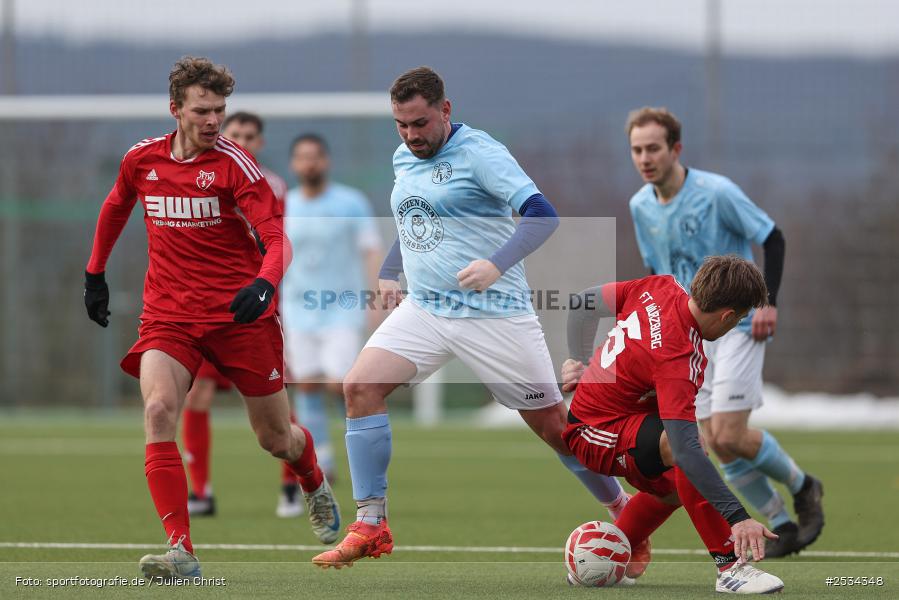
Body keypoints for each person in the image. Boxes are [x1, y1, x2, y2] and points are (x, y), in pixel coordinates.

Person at [312, 66, 632, 569]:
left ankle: (626, 513)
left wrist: (495, 264)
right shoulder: (404, 156)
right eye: (401, 125)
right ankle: (371, 523)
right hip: (427, 309)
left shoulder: (482, 154)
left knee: (556, 429)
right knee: (359, 387)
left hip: (495, 314)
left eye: (419, 123)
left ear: (446, 110)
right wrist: (392, 272)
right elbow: (414, 217)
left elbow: (542, 214)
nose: (412, 136)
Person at [82, 56, 339, 581]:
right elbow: (115, 207)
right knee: (157, 411)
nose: (214, 121)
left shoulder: (234, 165)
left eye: (220, 110)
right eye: (203, 110)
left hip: (240, 317)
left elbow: (276, 237)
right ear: (175, 108)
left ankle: (311, 477)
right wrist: (94, 274)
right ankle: (181, 550)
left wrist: (264, 283)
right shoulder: (142, 160)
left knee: (276, 440)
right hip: (169, 316)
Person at [625, 107, 823, 557]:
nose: (644, 157)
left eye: (653, 148)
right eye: (636, 150)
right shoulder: (640, 206)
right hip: (688, 334)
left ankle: (804, 486)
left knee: (728, 434)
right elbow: (655, 275)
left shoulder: (716, 193)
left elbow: (772, 237)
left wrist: (768, 300)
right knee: (711, 441)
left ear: (675, 149)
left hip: (737, 324)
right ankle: (781, 524)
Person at [562, 256, 785, 594]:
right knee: (686, 449)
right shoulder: (679, 357)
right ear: (727, 316)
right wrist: (738, 518)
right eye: (738, 319)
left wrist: (578, 359)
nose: (733, 326)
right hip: (594, 432)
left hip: (617, 418)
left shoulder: (660, 286)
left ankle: (610, 552)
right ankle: (730, 567)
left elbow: (581, 303)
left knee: (676, 486)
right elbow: (683, 448)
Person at [180, 110, 298, 519]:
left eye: (250, 135)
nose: (242, 141)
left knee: (275, 402)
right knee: (196, 394)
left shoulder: (271, 185)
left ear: (260, 143)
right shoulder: (196, 176)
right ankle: (201, 492)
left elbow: (272, 240)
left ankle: (292, 483)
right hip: (206, 307)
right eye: (236, 134)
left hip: (253, 304)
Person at [281, 133, 382, 502]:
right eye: (302, 157)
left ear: (327, 161)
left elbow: (370, 250)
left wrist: (374, 297)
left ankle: (357, 448)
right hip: (296, 308)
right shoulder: (284, 204)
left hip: (343, 306)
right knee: (306, 384)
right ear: (294, 164)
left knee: (341, 384)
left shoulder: (350, 202)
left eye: (316, 157)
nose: (310, 163)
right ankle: (321, 455)